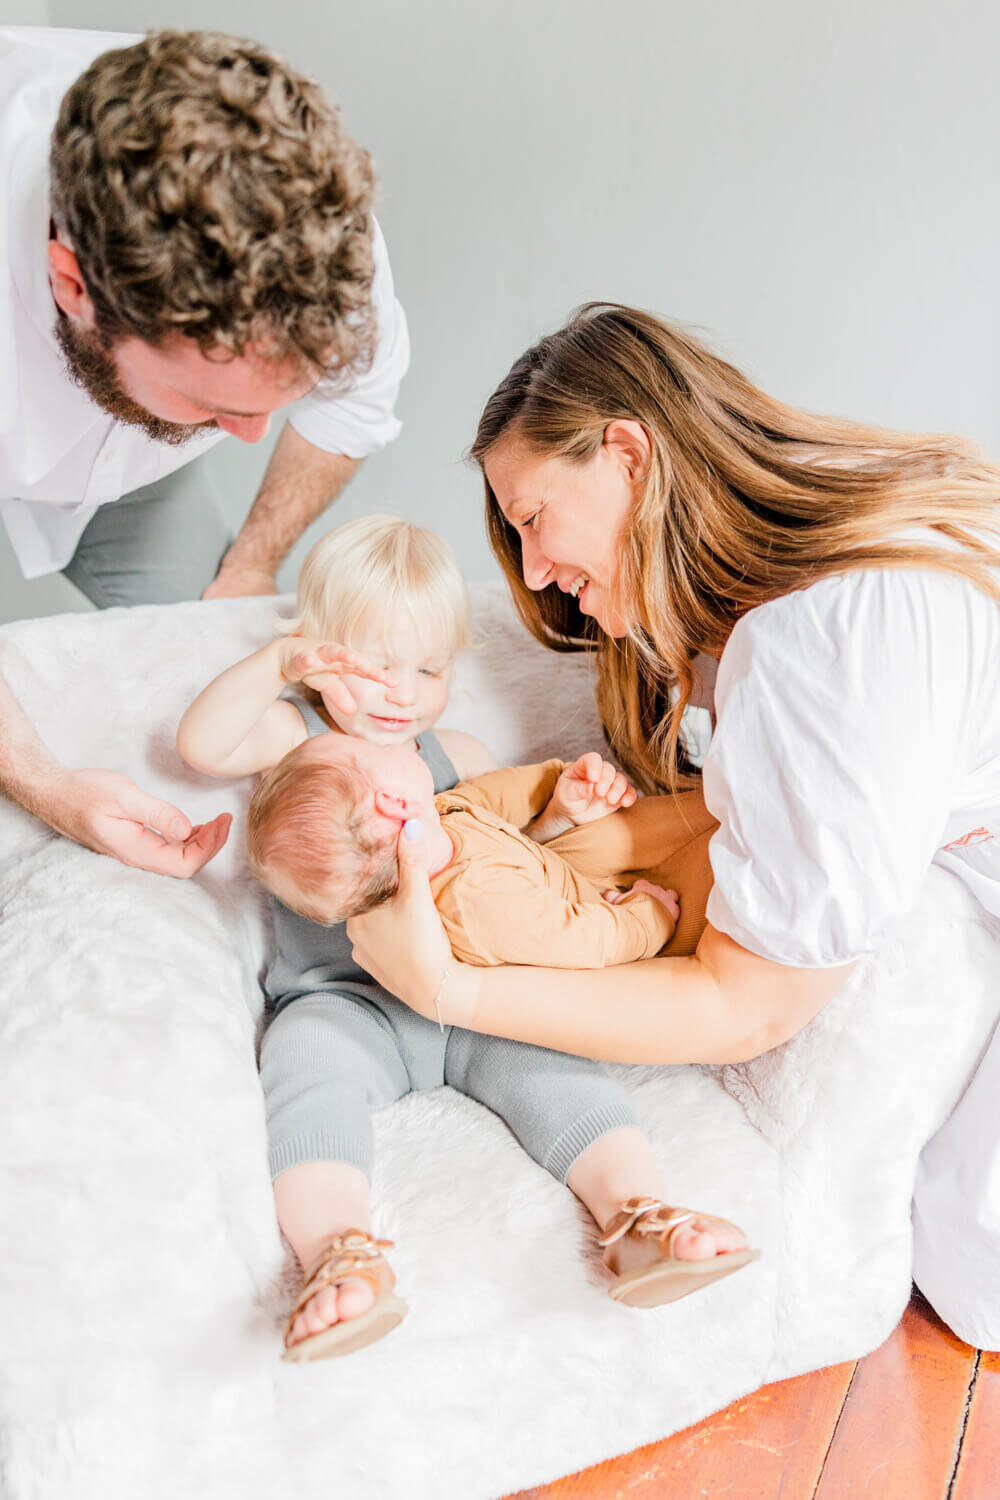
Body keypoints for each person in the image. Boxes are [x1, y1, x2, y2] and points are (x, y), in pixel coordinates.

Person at [344, 302, 1000, 1351]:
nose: (540, 570)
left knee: (979, 1275)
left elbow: (746, 1008)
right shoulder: (775, 609)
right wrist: (553, 841)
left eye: (531, 518)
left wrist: (449, 988)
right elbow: (732, 805)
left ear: (628, 455)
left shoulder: (824, 636)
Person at [179, 514, 755, 1361]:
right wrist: (277, 665)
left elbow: (508, 879)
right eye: (376, 664)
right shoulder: (299, 742)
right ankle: (340, 1253)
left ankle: (637, 1215)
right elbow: (201, 743)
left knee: (561, 1065)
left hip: (476, 994)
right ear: (320, 649)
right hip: (346, 1002)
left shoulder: (455, 753)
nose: (402, 692)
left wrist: (563, 816)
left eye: (430, 668)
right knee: (304, 1070)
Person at [0, 26, 409, 876]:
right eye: (214, 402)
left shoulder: (317, 230)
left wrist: (253, 563)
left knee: (215, 662)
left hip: (136, 466)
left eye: (274, 400)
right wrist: (47, 784)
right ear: (72, 286)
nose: (249, 436)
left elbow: (353, 411)